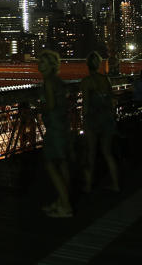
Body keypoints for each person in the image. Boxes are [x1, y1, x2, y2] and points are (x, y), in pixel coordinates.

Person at [37, 50, 73, 218]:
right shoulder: (58, 81)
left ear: (51, 65)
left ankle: (65, 207)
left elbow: (50, 105)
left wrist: (37, 108)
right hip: (63, 125)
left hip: (55, 128)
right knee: (62, 164)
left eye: (43, 62)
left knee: (51, 164)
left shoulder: (49, 82)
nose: (39, 64)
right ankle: (61, 201)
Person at [81, 52, 120, 193]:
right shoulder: (106, 79)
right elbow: (111, 99)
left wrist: (83, 121)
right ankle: (116, 184)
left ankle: (88, 185)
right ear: (99, 64)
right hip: (107, 118)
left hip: (93, 119)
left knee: (90, 153)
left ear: (87, 65)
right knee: (108, 153)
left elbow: (85, 104)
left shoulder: (86, 81)